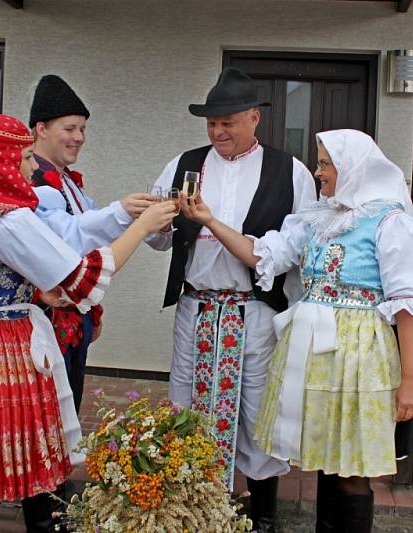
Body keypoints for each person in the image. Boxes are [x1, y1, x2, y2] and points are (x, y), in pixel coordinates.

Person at [0, 114, 176, 533]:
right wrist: (141, 227)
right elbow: (79, 280)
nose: (34, 167)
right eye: (26, 157)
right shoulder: (6, 221)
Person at [179, 129, 413, 532]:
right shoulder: (318, 220)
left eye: (324, 164)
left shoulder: (390, 223)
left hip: (359, 354)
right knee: (324, 459)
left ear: (352, 168)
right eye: (318, 164)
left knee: (351, 468)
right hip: (315, 355)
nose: (318, 173)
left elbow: (408, 307)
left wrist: (411, 381)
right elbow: (262, 254)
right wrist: (210, 220)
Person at [146, 66, 317, 532]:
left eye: (228, 122)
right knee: (188, 403)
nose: (218, 131)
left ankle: (262, 515)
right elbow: (159, 242)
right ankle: (195, 507)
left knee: (258, 410)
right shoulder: (184, 164)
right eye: (211, 123)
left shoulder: (290, 171)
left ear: (253, 118)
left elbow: (296, 249)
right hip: (196, 306)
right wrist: (159, 224)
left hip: (254, 310)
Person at [27, 74, 156, 413]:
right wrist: (128, 215)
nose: (79, 138)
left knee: (68, 404)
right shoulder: (35, 183)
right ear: (41, 128)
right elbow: (69, 236)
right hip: (48, 320)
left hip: (73, 313)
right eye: (70, 128)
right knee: (51, 410)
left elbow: (92, 230)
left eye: (82, 129)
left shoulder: (68, 182)